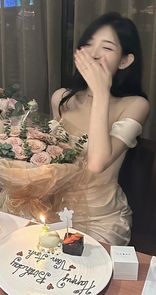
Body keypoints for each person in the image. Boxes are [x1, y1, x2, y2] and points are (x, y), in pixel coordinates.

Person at [51, 12, 150, 245]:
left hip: (102, 218)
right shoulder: (61, 98)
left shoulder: (135, 105)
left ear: (125, 61)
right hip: (55, 209)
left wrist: (101, 91)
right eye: (87, 45)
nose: (94, 54)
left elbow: (96, 163)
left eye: (106, 48)